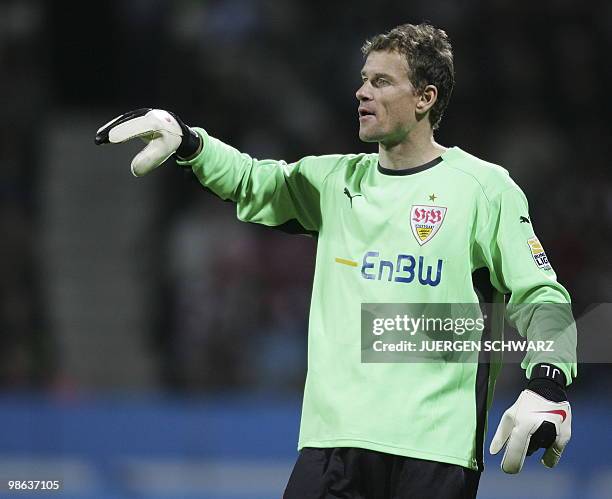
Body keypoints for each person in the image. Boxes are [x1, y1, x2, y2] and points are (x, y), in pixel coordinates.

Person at [96, 23, 576, 499]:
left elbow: (541, 295)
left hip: (434, 450)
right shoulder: (333, 181)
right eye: (364, 79)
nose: (361, 92)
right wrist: (190, 143)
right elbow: (252, 181)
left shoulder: (484, 189)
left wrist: (548, 383)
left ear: (425, 98)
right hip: (332, 447)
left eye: (381, 82)